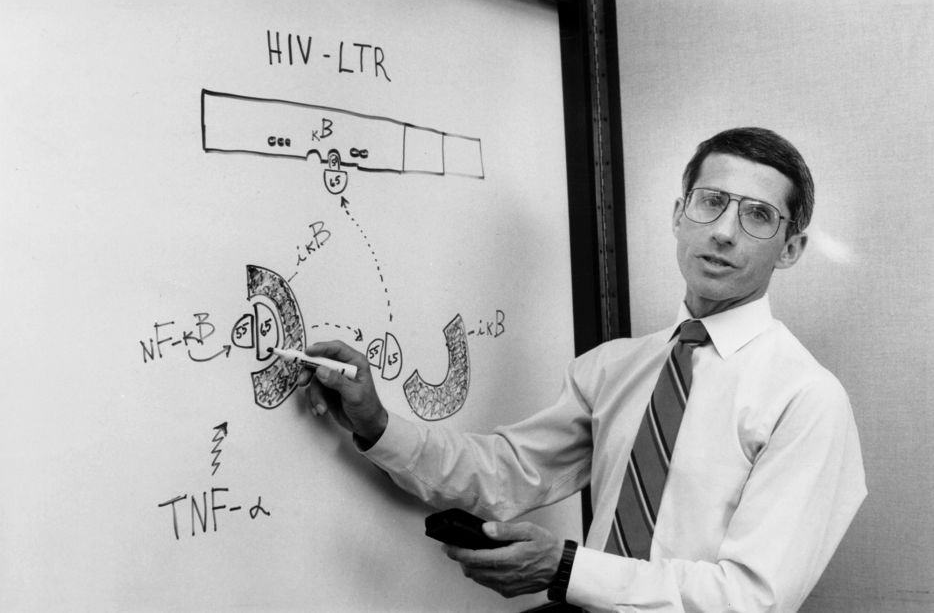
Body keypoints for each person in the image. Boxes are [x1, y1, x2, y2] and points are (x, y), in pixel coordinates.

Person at [297, 128, 866, 612]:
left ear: (791, 249)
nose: (722, 230)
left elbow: (750, 600)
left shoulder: (807, 399)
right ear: (678, 214)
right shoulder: (614, 369)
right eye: (710, 201)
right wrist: (375, 422)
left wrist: (567, 569)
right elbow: (503, 473)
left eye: (758, 216)